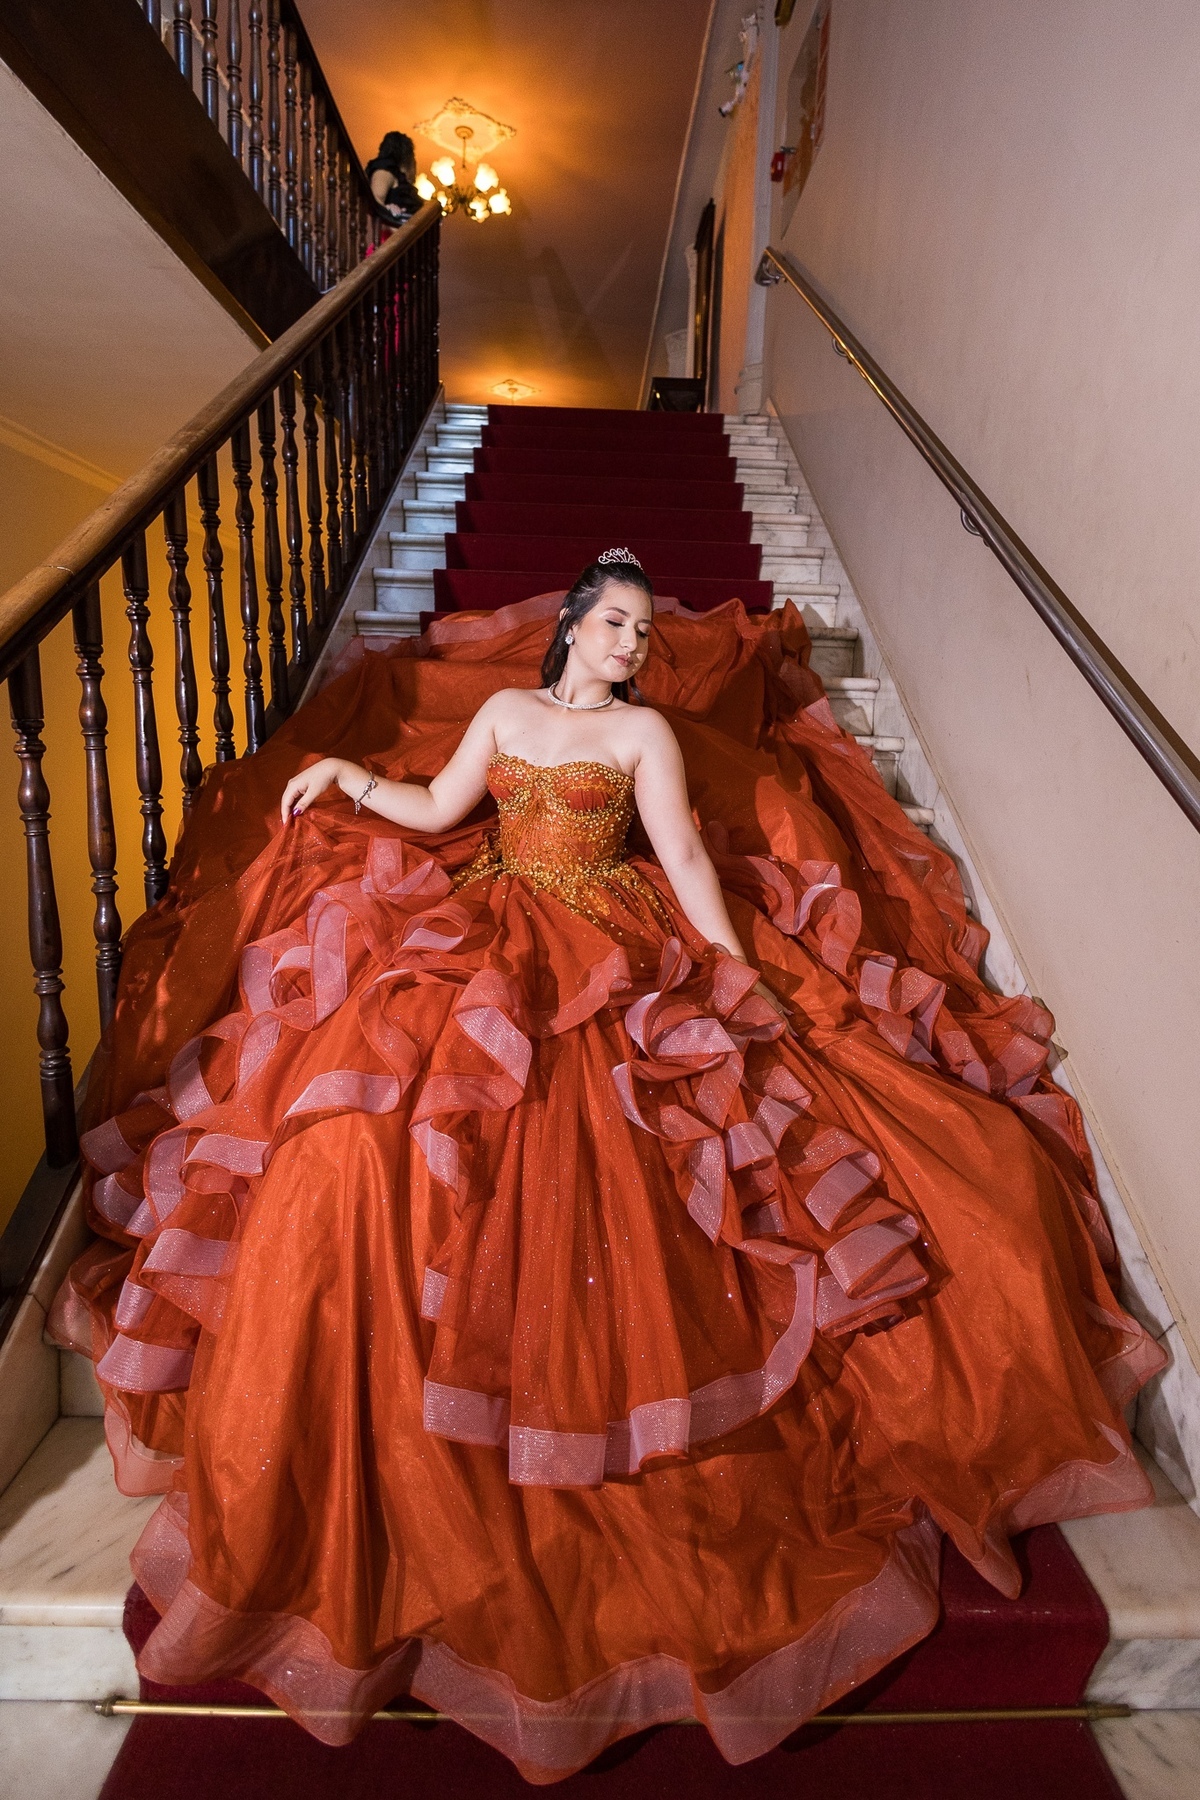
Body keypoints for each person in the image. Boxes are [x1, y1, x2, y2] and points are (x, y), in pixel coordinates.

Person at [53, 553, 1163, 1783]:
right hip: (490, 924)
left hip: (609, 937)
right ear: (574, 624)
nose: (632, 643)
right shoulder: (501, 710)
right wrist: (349, 778)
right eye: (617, 623)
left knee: (629, 1153)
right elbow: (438, 812)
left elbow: (681, 856)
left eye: (643, 630)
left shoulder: (646, 735)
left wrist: (734, 971)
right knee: (364, 1136)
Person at [365, 130, 423, 227]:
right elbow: (375, 201)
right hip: (395, 233)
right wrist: (388, 209)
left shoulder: (396, 175)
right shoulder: (385, 169)